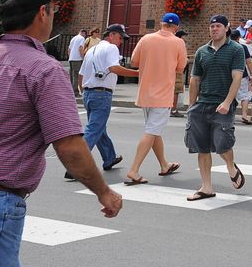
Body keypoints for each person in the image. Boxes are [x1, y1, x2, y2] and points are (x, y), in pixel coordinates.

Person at [0, 0, 122, 264]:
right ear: (42, 13)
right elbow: (69, 145)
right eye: (52, 11)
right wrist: (103, 191)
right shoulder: (44, 68)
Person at [184, 14, 247, 201]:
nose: (214, 29)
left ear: (227, 28)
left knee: (222, 145)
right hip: (202, 104)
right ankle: (206, 187)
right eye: (212, 26)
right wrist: (191, 105)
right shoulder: (202, 51)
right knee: (202, 147)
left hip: (223, 104)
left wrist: (227, 102)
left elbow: (237, 78)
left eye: (218, 26)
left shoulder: (236, 49)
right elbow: (195, 79)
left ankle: (231, 167)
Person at [124, 13, 188, 185]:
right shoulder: (178, 42)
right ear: (176, 27)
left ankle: (164, 164)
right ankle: (134, 170)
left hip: (145, 92)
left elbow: (134, 62)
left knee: (154, 130)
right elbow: (181, 67)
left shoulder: (146, 39)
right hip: (163, 93)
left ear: (161, 24)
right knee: (152, 131)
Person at [72, 24, 138, 178]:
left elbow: (81, 74)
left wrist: (83, 91)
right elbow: (114, 68)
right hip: (101, 94)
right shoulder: (111, 48)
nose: (121, 41)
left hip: (89, 93)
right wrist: (137, 73)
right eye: (120, 37)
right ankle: (75, 165)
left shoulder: (90, 51)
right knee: (94, 129)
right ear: (112, 35)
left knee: (99, 128)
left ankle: (109, 158)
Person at [67, 28, 89, 96]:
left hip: (71, 58)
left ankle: (70, 91)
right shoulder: (81, 38)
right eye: (85, 35)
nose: (85, 36)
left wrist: (70, 57)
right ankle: (75, 92)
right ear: (83, 33)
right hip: (77, 59)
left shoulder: (73, 38)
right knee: (76, 75)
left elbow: (69, 49)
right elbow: (80, 48)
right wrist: (83, 57)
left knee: (71, 76)